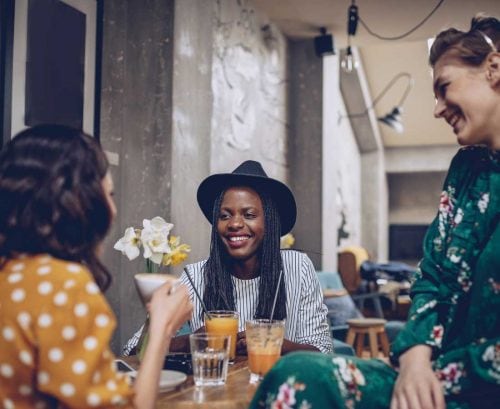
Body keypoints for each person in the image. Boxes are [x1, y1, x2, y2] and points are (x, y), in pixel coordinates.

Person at [250, 14, 500, 409]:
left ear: (494, 68)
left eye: (444, 87)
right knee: (297, 374)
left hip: (480, 384)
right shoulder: (466, 168)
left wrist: (446, 373)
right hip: (426, 370)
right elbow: (433, 274)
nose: (436, 109)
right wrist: (416, 362)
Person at [0, 125, 192, 409]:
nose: (113, 210)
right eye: (110, 195)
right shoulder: (63, 286)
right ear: (83, 203)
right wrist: (162, 327)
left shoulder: (11, 274)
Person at [123, 160, 333, 355]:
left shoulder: (297, 268)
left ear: (269, 222)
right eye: (225, 215)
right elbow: (132, 350)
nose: (234, 224)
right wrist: (192, 341)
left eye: (249, 215)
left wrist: (272, 342)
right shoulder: (196, 276)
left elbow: (323, 350)